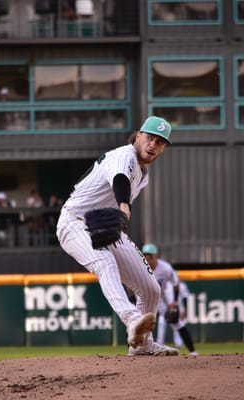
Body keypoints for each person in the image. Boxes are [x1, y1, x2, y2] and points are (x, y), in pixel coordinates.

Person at [56, 115, 179, 356]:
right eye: (151, 138)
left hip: (105, 228)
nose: (154, 145)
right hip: (74, 222)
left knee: (151, 288)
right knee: (104, 262)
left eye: (161, 142)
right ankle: (132, 320)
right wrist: (124, 205)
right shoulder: (124, 155)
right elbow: (120, 180)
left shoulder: (144, 175)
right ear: (139, 135)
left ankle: (143, 346)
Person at [141, 243, 198, 356]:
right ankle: (139, 351)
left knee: (177, 322)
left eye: (150, 255)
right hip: (145, 298)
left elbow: (175, 283)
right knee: (139, 323)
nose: (148, 257)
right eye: (146, 255)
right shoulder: (141, 268)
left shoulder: (165, 268)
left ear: (155, 256)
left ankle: (192, 351)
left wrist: (175, 301)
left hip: (161, 299)